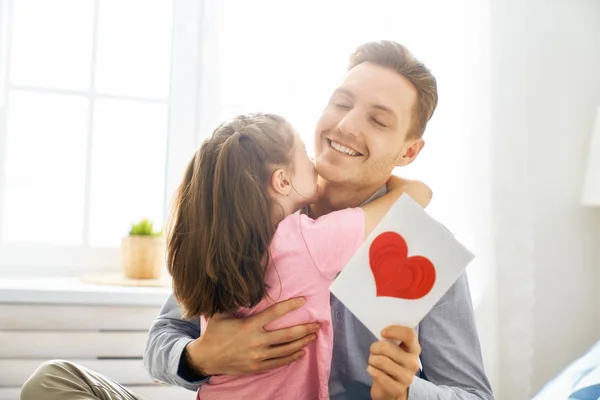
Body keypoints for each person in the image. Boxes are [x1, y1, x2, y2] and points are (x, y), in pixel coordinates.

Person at [20, 41, 494, 400]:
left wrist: (409, 390)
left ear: (408, 151)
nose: (347, 126)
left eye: (378, 120)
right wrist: (201, 356)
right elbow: (163, 339)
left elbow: (473, 395)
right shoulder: (259, 207)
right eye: (342, 102)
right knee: (54, 382)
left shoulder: (421, 248)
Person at [166, 112, 431, 400]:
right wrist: (374, 167)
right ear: (281, 181)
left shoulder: (213, 251)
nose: (315, 163)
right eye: (304, 152)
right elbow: (418, 195)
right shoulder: (307, 241)